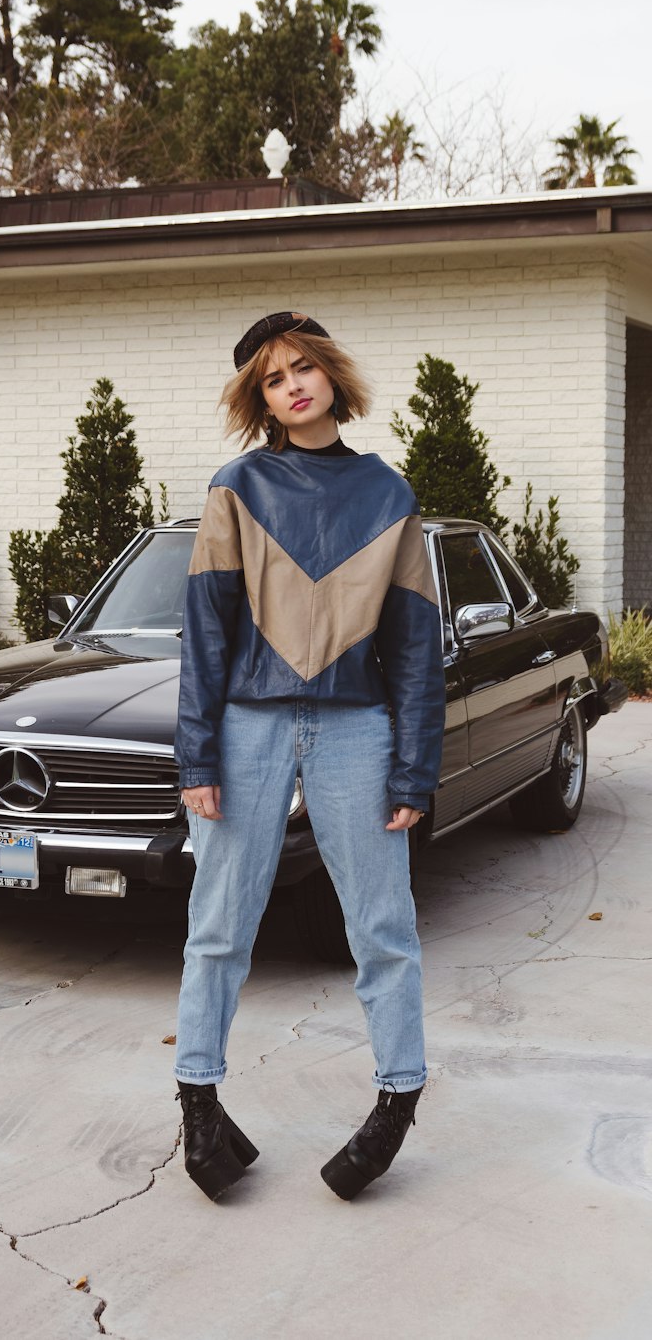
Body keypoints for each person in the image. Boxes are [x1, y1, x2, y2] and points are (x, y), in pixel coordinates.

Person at [172, 311, 446, 1202]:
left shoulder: (387, 494)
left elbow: (412, 646)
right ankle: (199, 1105)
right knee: (219, 925)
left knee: (383, 928)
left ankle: (397, 1100)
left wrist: (414, 766)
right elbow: (204, 636)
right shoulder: (237, 486)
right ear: (259, 398)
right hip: (247, 728)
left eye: (303, 367)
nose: (292, 384)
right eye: (272, 378)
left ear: (329, 374)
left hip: (357, 730)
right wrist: (196, 756)